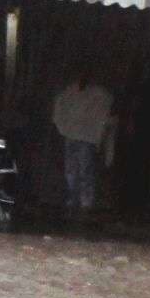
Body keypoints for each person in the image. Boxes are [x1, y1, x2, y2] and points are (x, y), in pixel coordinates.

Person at [52, 72, 117, 217]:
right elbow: (60, 109)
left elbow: (102, 112)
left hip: (87, 137)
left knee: (85, 170)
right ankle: (72, 200)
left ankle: (86, 202)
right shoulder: (69, 93)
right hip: (71, 136)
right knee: (70, 171)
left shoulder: (98, 94)